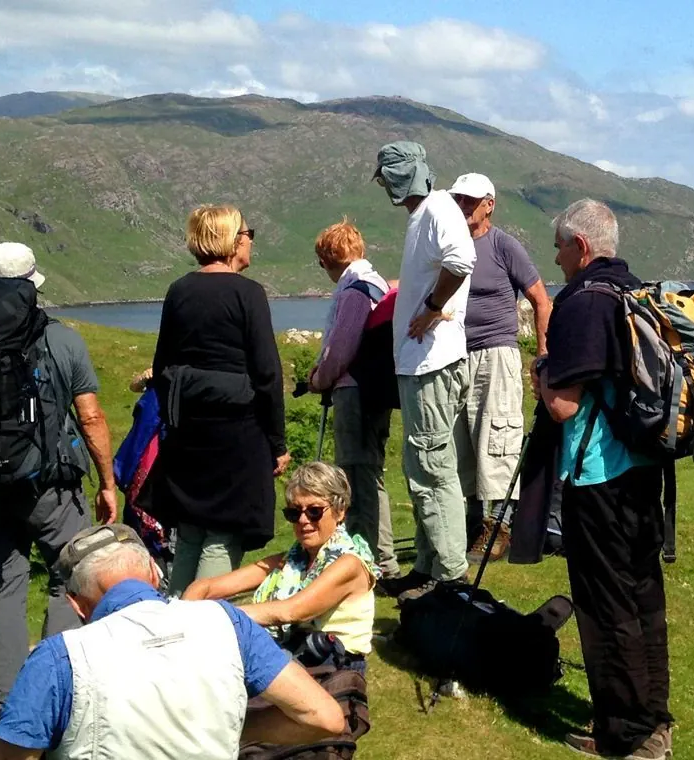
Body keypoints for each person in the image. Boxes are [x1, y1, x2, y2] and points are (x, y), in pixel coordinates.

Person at [0, 242, 119, 706]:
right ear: (34, 283)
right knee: (68, 577)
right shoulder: (62, 339)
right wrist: (108, 483)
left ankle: (8, 705)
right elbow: (91, 417)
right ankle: (61, 690)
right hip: (52, 487)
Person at [0, 525, 345, 759]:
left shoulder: (59, 658)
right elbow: (325, 717)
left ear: (77, 606)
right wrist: (237, 731)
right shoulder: (226, 621)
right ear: (156, 573)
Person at [533, 199, 672, 759]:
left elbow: (564, 408)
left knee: (605, 604)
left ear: (581, 247)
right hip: (644, 468)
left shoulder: (584, 303)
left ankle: (628, 735)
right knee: (643, 597)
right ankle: (653, 718)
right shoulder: (634, 291)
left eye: (561, 246)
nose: (557, 257)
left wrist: (542, 372)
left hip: (599, 477)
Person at [145, 205, 291, 595]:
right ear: (232, 240)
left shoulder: (179, 290)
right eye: (248, 234)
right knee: (222, 534)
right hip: (237, 432)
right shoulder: (248, 293)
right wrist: (277, 443)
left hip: (188, 431)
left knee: (190, 529)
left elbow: (163, 366)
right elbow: (267, 373)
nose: (250, 241)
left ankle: (174, 614)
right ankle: (202, 625)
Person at [372, 141, 477, 597]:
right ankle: (430, 564)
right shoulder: (429, 212)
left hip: (431, 362)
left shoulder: (437, 210)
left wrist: (433, 306)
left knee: (433, 468)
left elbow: (462, 259)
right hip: (423, 364)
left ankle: (451, 577)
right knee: (425, 464)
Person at [447, 172, 553, 561]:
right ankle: (474, 524)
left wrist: (542, 354)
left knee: (498, 437)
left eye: (471, 200)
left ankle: (501, 526)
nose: (463, 206)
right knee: (462, 441)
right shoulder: (451, 245)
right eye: (458, 199)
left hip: (496, 353)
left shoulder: (503, 246)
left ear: (489, 204)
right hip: (457, 356)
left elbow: (542, 299)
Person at [183, 462, 379, 665]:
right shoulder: (291, 560)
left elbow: (292, 610)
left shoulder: (349, 564)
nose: (303, 520)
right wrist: (181, 617)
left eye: (314, 511)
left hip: (333, 664)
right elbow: (206, 586)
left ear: (340, 511)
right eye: (294, 513)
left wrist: (215, 615)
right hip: (295, 654)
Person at [306, 218, 399, 578]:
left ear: (330, 258)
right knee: (370, 473)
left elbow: (341, 347)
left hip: (355, 390)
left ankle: (368, 559)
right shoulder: (376, 284)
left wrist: (319, 378)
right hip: (375, 388)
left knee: (356, 476)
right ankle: (380, 556)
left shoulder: (354, 290)